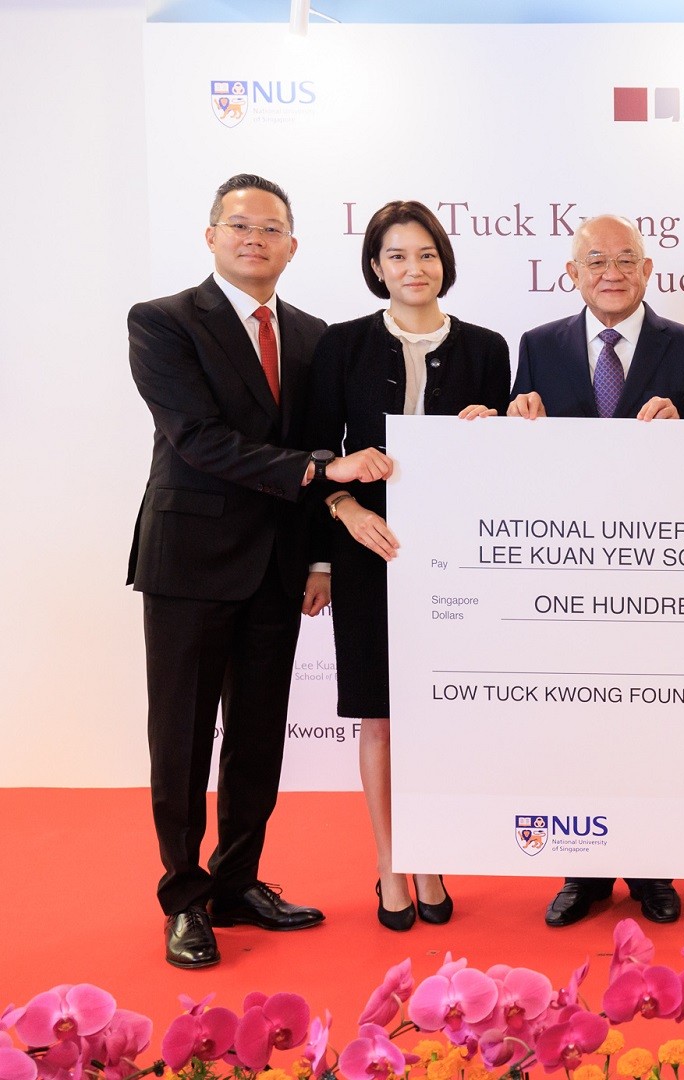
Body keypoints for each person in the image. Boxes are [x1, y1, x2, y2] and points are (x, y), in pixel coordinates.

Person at [129, 173, 392, 968]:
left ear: (293, 246)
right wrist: (318, 469)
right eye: (239, 225)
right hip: (189, 562)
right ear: (211, 235)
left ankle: (237, 881)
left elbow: (324, 443)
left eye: (271, 228)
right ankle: (184, 896)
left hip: (279, 566)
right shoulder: (163, 322)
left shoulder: (313, 335)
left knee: (255, 738)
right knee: (181, 739)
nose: (255, 238)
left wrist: (320, 556)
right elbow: (198, 439)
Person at [510, 214, 684, 927]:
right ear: (572, 273)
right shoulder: (537, 346)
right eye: (594, 260)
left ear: (648, 269)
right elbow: (520, 459)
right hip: (568, 575)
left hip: (661, 574)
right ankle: (586, 871)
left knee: (655, 726)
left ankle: (653, 867)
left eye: (625, 259)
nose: (611, 272)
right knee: (577, 725)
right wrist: (514, 418)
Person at [307, 200, 511, 932]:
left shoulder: (488, 347)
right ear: (376, 266)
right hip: (368, 551)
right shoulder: (340, 345)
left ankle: (433, 856)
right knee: (382, 718)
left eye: (425, 254)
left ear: (443, 262)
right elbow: (316, 452)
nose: (413, 268)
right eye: (396, 255)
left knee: (439, 716)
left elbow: (504, 467)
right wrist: (344, 513)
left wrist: (495, 431)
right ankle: (392, 862)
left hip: (456, 561)